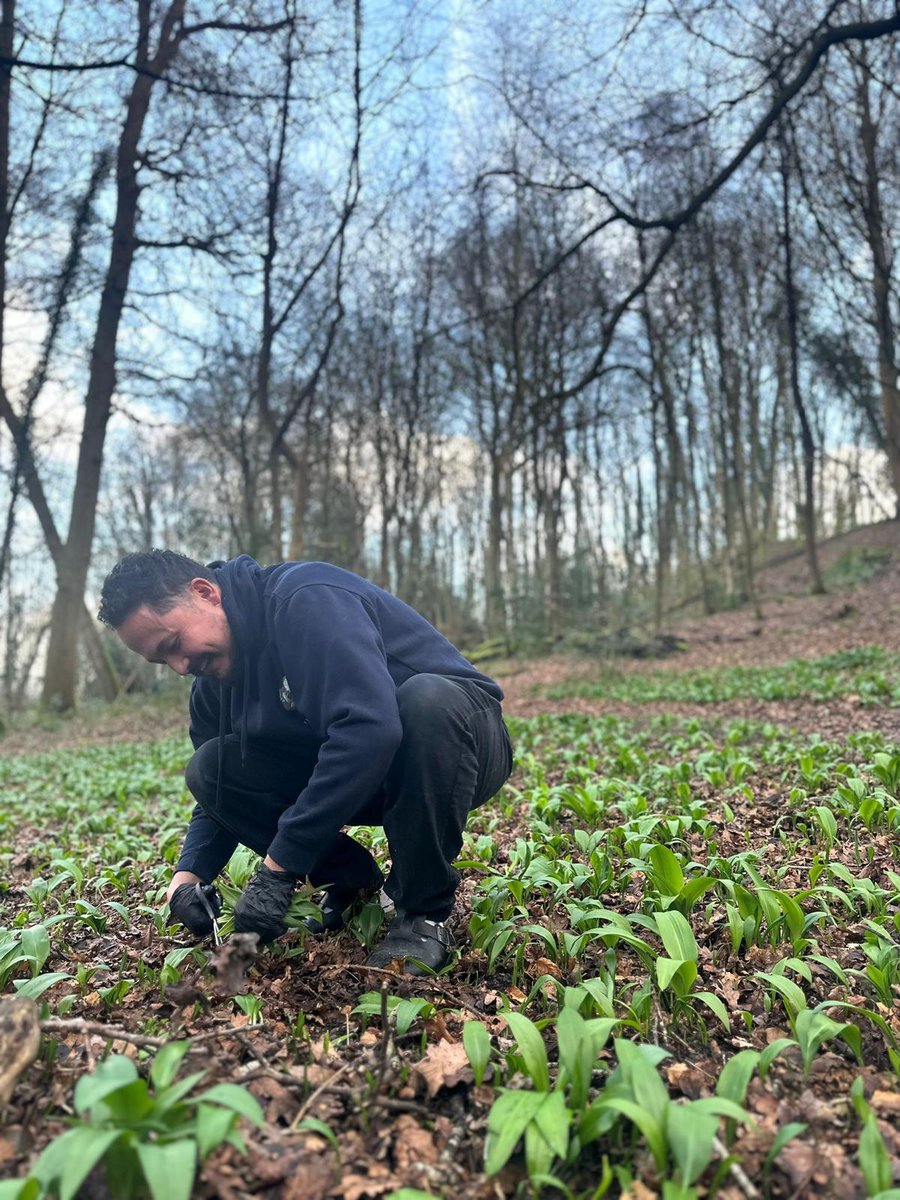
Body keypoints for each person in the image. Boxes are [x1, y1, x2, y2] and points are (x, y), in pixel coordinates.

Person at [98, 550, 513, 975]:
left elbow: (370, 729)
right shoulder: (212, 682)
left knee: (425, 700)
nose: (180, 666)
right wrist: (187, 877)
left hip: (459, 744)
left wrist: (279, 869)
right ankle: (349, 880)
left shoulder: (307, 598)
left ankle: (423, 908)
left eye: (173, 645)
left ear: (205, 593)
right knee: (209, 765)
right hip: (367, 776)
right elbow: (217, 793)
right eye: (162, 661)